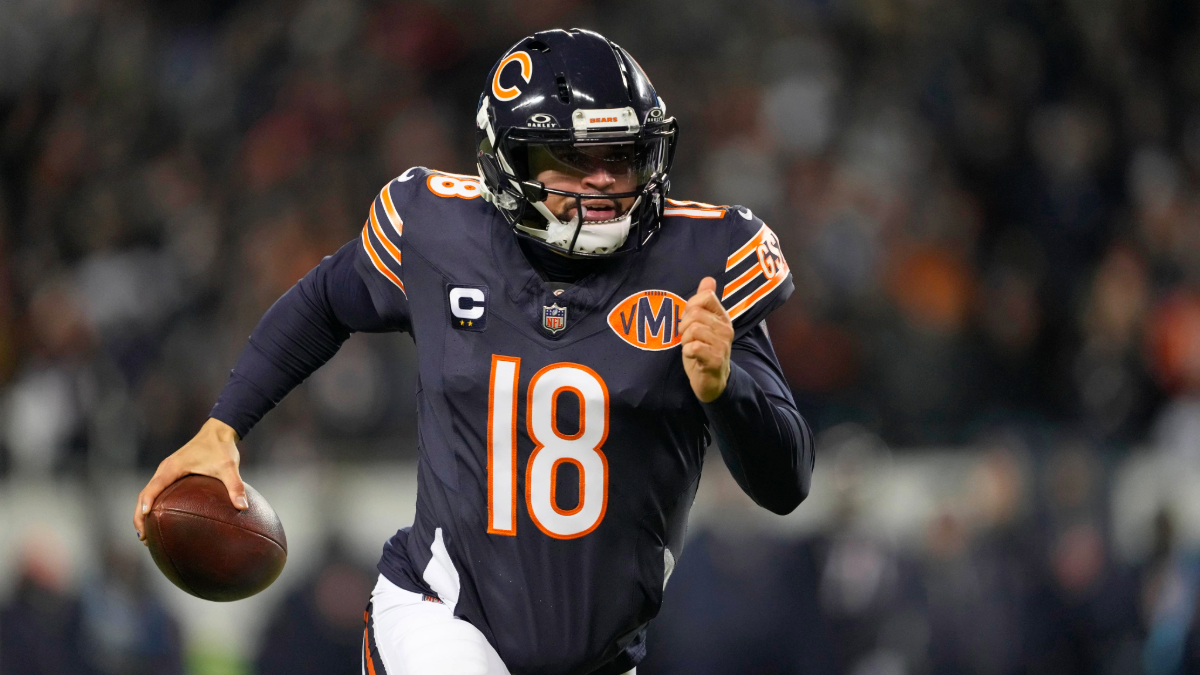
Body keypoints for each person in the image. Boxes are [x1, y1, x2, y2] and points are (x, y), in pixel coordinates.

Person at [133, 28, 814, 675]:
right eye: (572, 159)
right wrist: (222, 426)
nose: (604, 180)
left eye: (622, 156)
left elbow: (785, 485)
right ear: (507, 162)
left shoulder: (704, 264)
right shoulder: (436, 230)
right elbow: (323, 302)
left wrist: (727, 388)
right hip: (441, 612)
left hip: (602, 658)